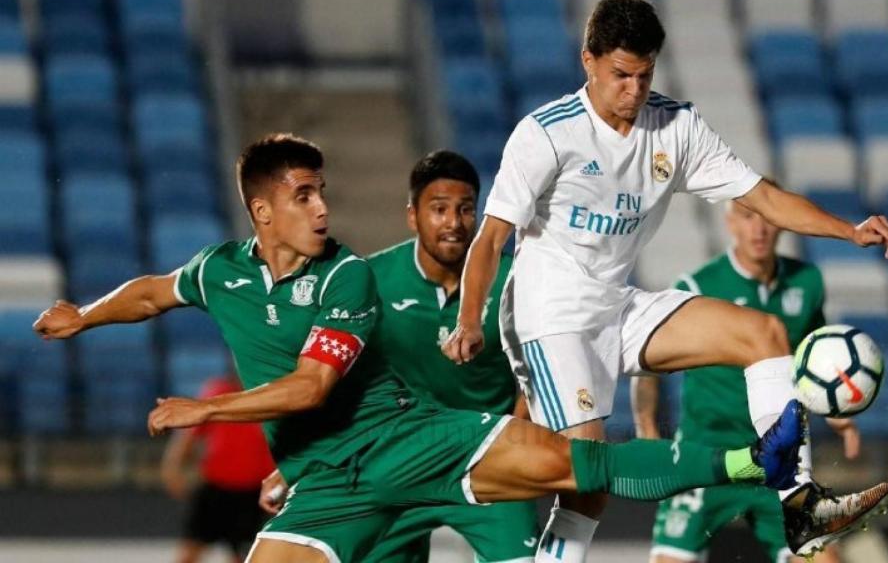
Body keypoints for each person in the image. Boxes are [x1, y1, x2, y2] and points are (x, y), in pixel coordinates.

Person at [34, 133, 805, 563]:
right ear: (262, 212)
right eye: (305, 195)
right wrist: (84, 315)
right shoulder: (219, 271)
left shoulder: (347, 277)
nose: (323, 206)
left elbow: (309, 388)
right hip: (330, 483)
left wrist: (205, 412)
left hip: (415, 441)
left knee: (575, 463)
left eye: (322, 190)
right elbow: (153, 291)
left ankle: (752, 462)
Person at [441, 0, 888, 561]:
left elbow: (762, 197)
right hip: (549, 315)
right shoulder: (547, 134)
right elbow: (491, 238)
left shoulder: (676, 126)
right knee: (587, 481)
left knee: (763, 334)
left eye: (645, 74)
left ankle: (800, 503)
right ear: (589, 61)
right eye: (621, 75)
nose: (634, 90)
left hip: (617, 304)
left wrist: (848, 230)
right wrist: (469, 320)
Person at [259, 149, 540, 562]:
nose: (453, 222)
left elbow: (537, 375)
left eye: (465, 209)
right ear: (413, 216)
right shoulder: (370, 280)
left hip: (486, 457)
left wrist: (517, 443)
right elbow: (332, 377)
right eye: (439, 209)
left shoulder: (516, 280)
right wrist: (297, 464)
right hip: (396, 460)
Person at [633, 199, 862, 563]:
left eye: (768, 217)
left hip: (780, 459)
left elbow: (816, 357)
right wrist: (646, 427)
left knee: (825, 560)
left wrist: (838, 417)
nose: (759, 229)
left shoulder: (807, 282)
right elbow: (648, 364)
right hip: (707, 454)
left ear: (782, 222)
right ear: (730, 223)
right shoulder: (697, 286)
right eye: (747, 217)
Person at [161, 373, 276, 563]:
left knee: (244, 556)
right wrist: (173, 467)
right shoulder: (219, 393)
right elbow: (189, 436)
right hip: (216, 488)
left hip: (252, 493)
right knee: (190, 552)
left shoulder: (271, 396)